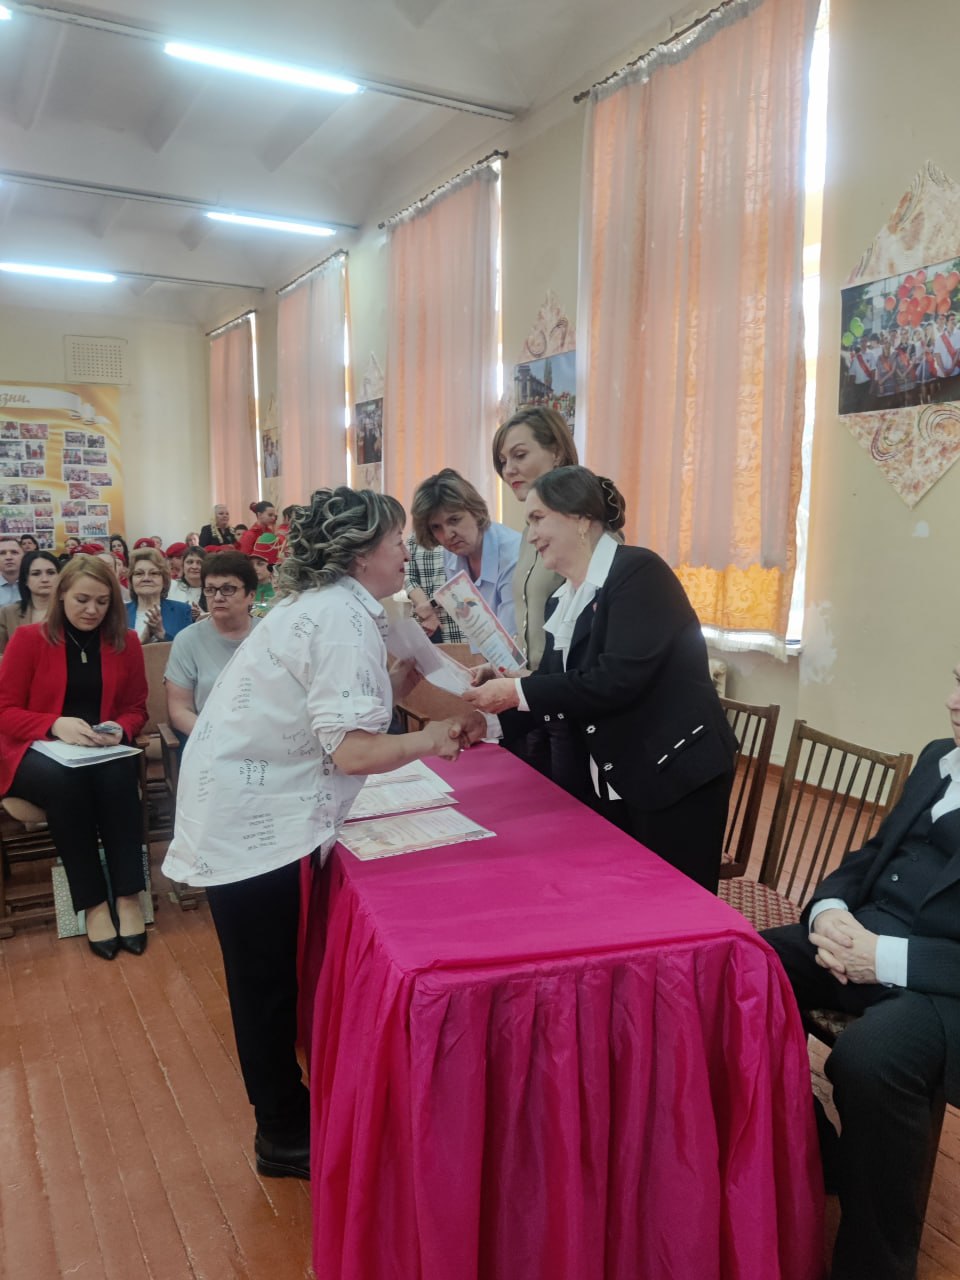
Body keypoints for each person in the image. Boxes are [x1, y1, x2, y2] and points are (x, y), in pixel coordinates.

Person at [162, 486, 481, 1182]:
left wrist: (422, 688)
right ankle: (279, 1133)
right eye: (396, 541)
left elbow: (359, 695)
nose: (406, 552)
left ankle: (288, 1110)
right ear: (361, 555)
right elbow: (354, 751)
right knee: (263, 983)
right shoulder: (338, 618)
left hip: (256, 805)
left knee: (271, 976)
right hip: (247, 819)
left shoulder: (341, 607)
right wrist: (431, 738)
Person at [762, 668, 960, 1280]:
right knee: (744, 967)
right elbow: (872, 853)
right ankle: (818, 1147)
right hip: (863, 931)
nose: (952, 700)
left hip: (940, 978)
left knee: (871, 1060)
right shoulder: (939, 755)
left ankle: (877, 1264)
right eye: (958, 680)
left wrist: (882, 957)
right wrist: (829, 909)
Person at [464, 466, 736, 893]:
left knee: (674, 904)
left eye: (537, 519)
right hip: (617, 772)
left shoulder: (639, 573)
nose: (530, 536)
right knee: (623, 900)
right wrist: (499, 696)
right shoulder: (565, 596)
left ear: (580, 518)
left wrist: (515, 692)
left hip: (671, 774)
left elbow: (615, 680)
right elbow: (556, 682)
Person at [0, 556, 149, 959]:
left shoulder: (125, 642)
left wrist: (120, 728)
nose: (92, 610)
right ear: (62, 594)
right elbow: (5, 711)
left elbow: (136, 708)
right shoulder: (29, 640)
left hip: (100, 750)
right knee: (66, 783)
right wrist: (53, 724)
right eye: (82, 600)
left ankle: (128, 896)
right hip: (35, 750)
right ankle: (93, 903)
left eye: (102, 602)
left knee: (118, 775)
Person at [409, 469, 520, 639]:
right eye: (436, 527)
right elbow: (476, 631)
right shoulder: (452, 554)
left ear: (475, 511)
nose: (448, 535)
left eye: (454, 520)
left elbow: (510, 637)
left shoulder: (512, 554)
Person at [165, 551, 257, 742]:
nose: (218, 597)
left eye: (228, 589)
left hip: (264, 738)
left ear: (250, 595)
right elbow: (180, 711)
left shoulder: (270, 636)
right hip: (208, 739)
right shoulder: (187, 640)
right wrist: (217, 737)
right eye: (210, 590)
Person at [125, 547, 192, 644]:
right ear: (131, 580)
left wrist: (163, 635)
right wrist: (141, 642)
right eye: (139, 573)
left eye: (154, 573)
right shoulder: (118, 613)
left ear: (164, 580)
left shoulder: (182, 611)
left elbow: (188, 649)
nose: (146, 578)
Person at [0, 549, 59, 653]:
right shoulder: (7, 613)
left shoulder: (71, 611)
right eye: (36, 574)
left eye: (51, 573)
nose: (45, 579)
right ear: (25, 580)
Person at [249, 534, 279, 616]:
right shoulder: (248, 589)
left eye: (260, 564)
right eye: (252, 564)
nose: (254, 568)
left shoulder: (279, 591)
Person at [169, 545, 205, 611]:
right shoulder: (171, 587)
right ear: (183, 565)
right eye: (190, 562)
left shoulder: (210, 590)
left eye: (199, 563)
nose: (194, 567)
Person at [0, 536, 23, 607]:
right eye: (2, 553)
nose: (8, 557)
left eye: (14, 552)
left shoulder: (34, 584)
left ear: (24, 556)